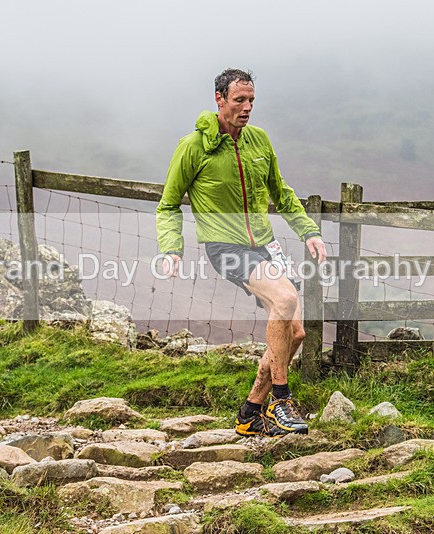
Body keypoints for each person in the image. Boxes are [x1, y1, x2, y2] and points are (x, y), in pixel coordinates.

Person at [156, 68, 327, 437]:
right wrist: (172, 248)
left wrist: (308, 231)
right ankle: (281, 401)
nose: (247, 107)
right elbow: (168, 205)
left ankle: (250, 413)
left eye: (251, 100)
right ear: (219, 100)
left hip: (266, 245)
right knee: (284, 299)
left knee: (295, 334)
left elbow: (281, 192)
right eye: (239, 100)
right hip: (226, 247)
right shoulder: (193, 147)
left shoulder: (258, 140)